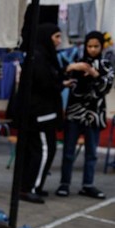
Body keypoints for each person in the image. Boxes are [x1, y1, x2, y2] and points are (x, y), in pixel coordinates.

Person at [20, 24, 85, 204]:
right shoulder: (39, 58)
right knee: (43, 150)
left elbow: (50, 78)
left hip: (44, 112)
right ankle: (29, 188)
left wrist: (63, 75)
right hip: (39, 114)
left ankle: (33, 186)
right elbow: (43, 83)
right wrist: (61, 84)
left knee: (44, 149)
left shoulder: (45, 56)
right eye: (56, 36)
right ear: (46, 37)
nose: (58, 41)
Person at [57, 31, 114, 199]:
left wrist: (95, 74)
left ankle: (87, 185)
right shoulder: (76, 61)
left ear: (102, 47)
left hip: (94, 114)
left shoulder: (105, 65)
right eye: (90, 46)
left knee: (91, 153)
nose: (93, 49)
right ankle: (64, 183)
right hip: (74, 113)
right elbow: (59, 78)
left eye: (96, 46)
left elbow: (106, 88)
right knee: (68, 151)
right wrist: (71, 68)